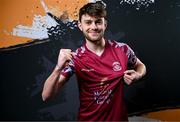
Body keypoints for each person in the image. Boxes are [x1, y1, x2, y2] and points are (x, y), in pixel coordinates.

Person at [42, 1, 146, 121]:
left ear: (105, 24)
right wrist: (58, 68)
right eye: (88, 22)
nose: (94, 27)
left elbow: (140, 65)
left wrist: (138, 75)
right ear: (80, 26)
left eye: (98, 22)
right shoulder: (75, 58)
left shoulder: (122, 49)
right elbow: (46, 96)